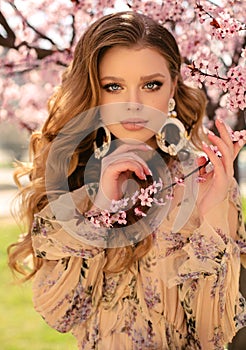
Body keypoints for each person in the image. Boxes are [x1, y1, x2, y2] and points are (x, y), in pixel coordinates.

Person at [8, 11, 246, 349]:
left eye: (151, 85)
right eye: (113, 86)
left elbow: (213, 336)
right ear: (94, 92)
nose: (133, 105)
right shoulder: (72, 183)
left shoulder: (209, 183)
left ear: (173, 87)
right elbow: (60, 313)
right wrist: (101, 210)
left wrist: (210, 217)